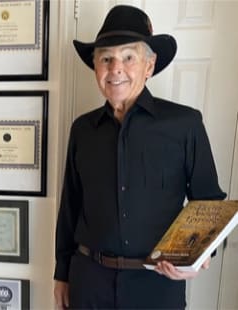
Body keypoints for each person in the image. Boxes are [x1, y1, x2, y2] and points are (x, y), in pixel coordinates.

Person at [54, 5, 226, 309]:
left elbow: (208, 203)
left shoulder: (184, 124)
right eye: (106, 58)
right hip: (88, 283)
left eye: (128, 57)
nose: (116, 68)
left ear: (149, 65)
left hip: (157, 287)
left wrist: (199, 257)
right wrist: (62, 275)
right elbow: (70, 207)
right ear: (95, 67)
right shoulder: (82, 130)